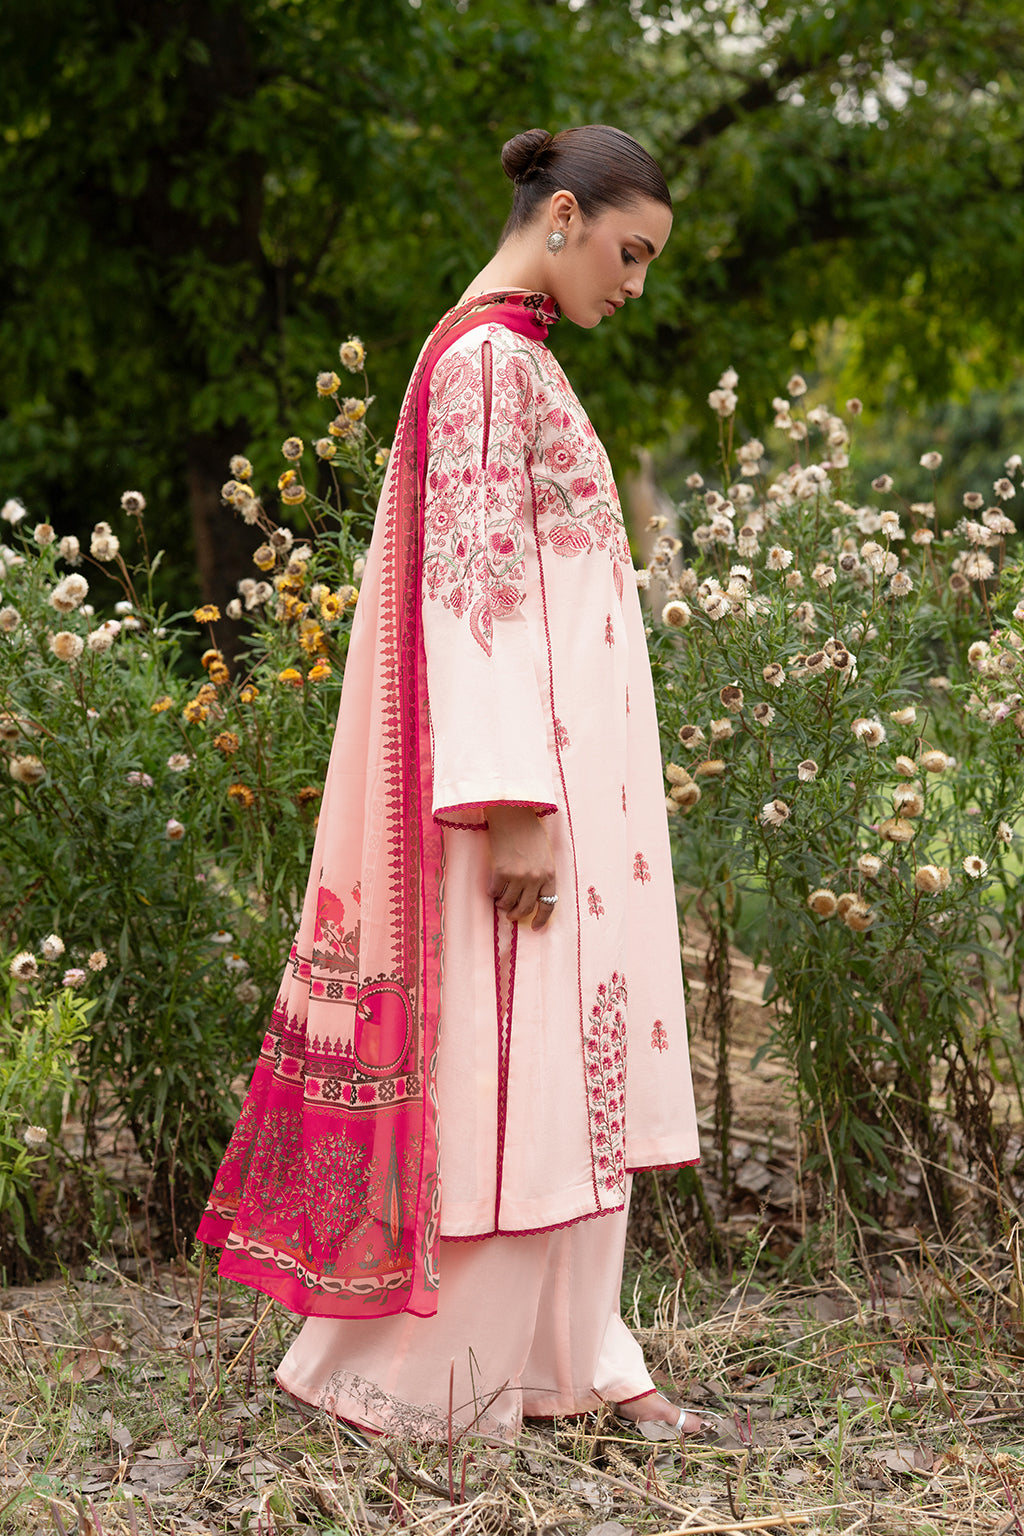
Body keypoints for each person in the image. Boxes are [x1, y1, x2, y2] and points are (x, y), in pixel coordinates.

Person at [197, 125, 701, 1441]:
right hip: (517, 813)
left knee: (562, 1080)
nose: (634, 285)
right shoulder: (485, 364)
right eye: (628, 252)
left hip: (558, 803)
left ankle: (580, 1359)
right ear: (563, 217)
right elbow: (473, 599)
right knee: (517, 1088)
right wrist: (515, 800)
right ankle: (410, 1383)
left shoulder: (511, 362)